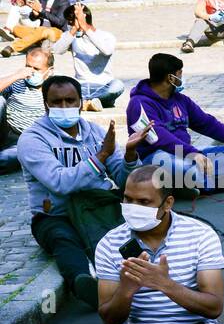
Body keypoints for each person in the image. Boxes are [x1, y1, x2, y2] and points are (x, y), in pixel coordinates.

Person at [19, 74, 146, 308]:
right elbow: (59, 182)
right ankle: (82, 283)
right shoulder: (32, 139)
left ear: (81, 101)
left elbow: (122, 178)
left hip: (99, 206)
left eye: (70, 100)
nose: (64, 106)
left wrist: (129, 156)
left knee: (128, 234)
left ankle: (148, 275)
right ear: (46, 103)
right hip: (56, 214)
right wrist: (101, 156)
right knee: (64, 241)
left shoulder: (96, 133)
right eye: (56, 102)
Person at [94, 165, 224, 324]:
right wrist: (125, 290)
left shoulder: (201, 235)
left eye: (143, 202)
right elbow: (110, 321)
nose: (133, 208)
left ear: (168, 203)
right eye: (127, 199)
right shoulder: (109, 243)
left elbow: (214, 307)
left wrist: (164, 284)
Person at [127, 53, 224, 191]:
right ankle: (207, 184)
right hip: (156, 160)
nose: (182, 78)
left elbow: (207, 123)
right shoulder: (138, 103)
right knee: (178, 165)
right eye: (180, 74)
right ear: (170, 78)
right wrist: (192, 153)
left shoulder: (181, 100)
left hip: (186, 156)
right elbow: (159, 137)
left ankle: (190, 183)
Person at [51, 3, 123, 111]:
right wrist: (74, 29)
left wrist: (85, 28)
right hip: (81, 86)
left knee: (118, 85)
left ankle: (82, 101)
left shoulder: (106, 36)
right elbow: (56, 50)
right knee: (55, 76)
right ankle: (92, 102)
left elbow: (107, 51)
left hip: (103, 85)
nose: (69, 25)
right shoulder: (72, 35)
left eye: (71, 22)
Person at [0, 47, 53, 172]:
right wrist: (16, 76)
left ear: (49, 71)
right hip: (6, 130)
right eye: (28, 66)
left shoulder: (53, 89)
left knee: (5, 159)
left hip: (26, 140)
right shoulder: (18, 82)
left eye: (36, 69)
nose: (31, 72)